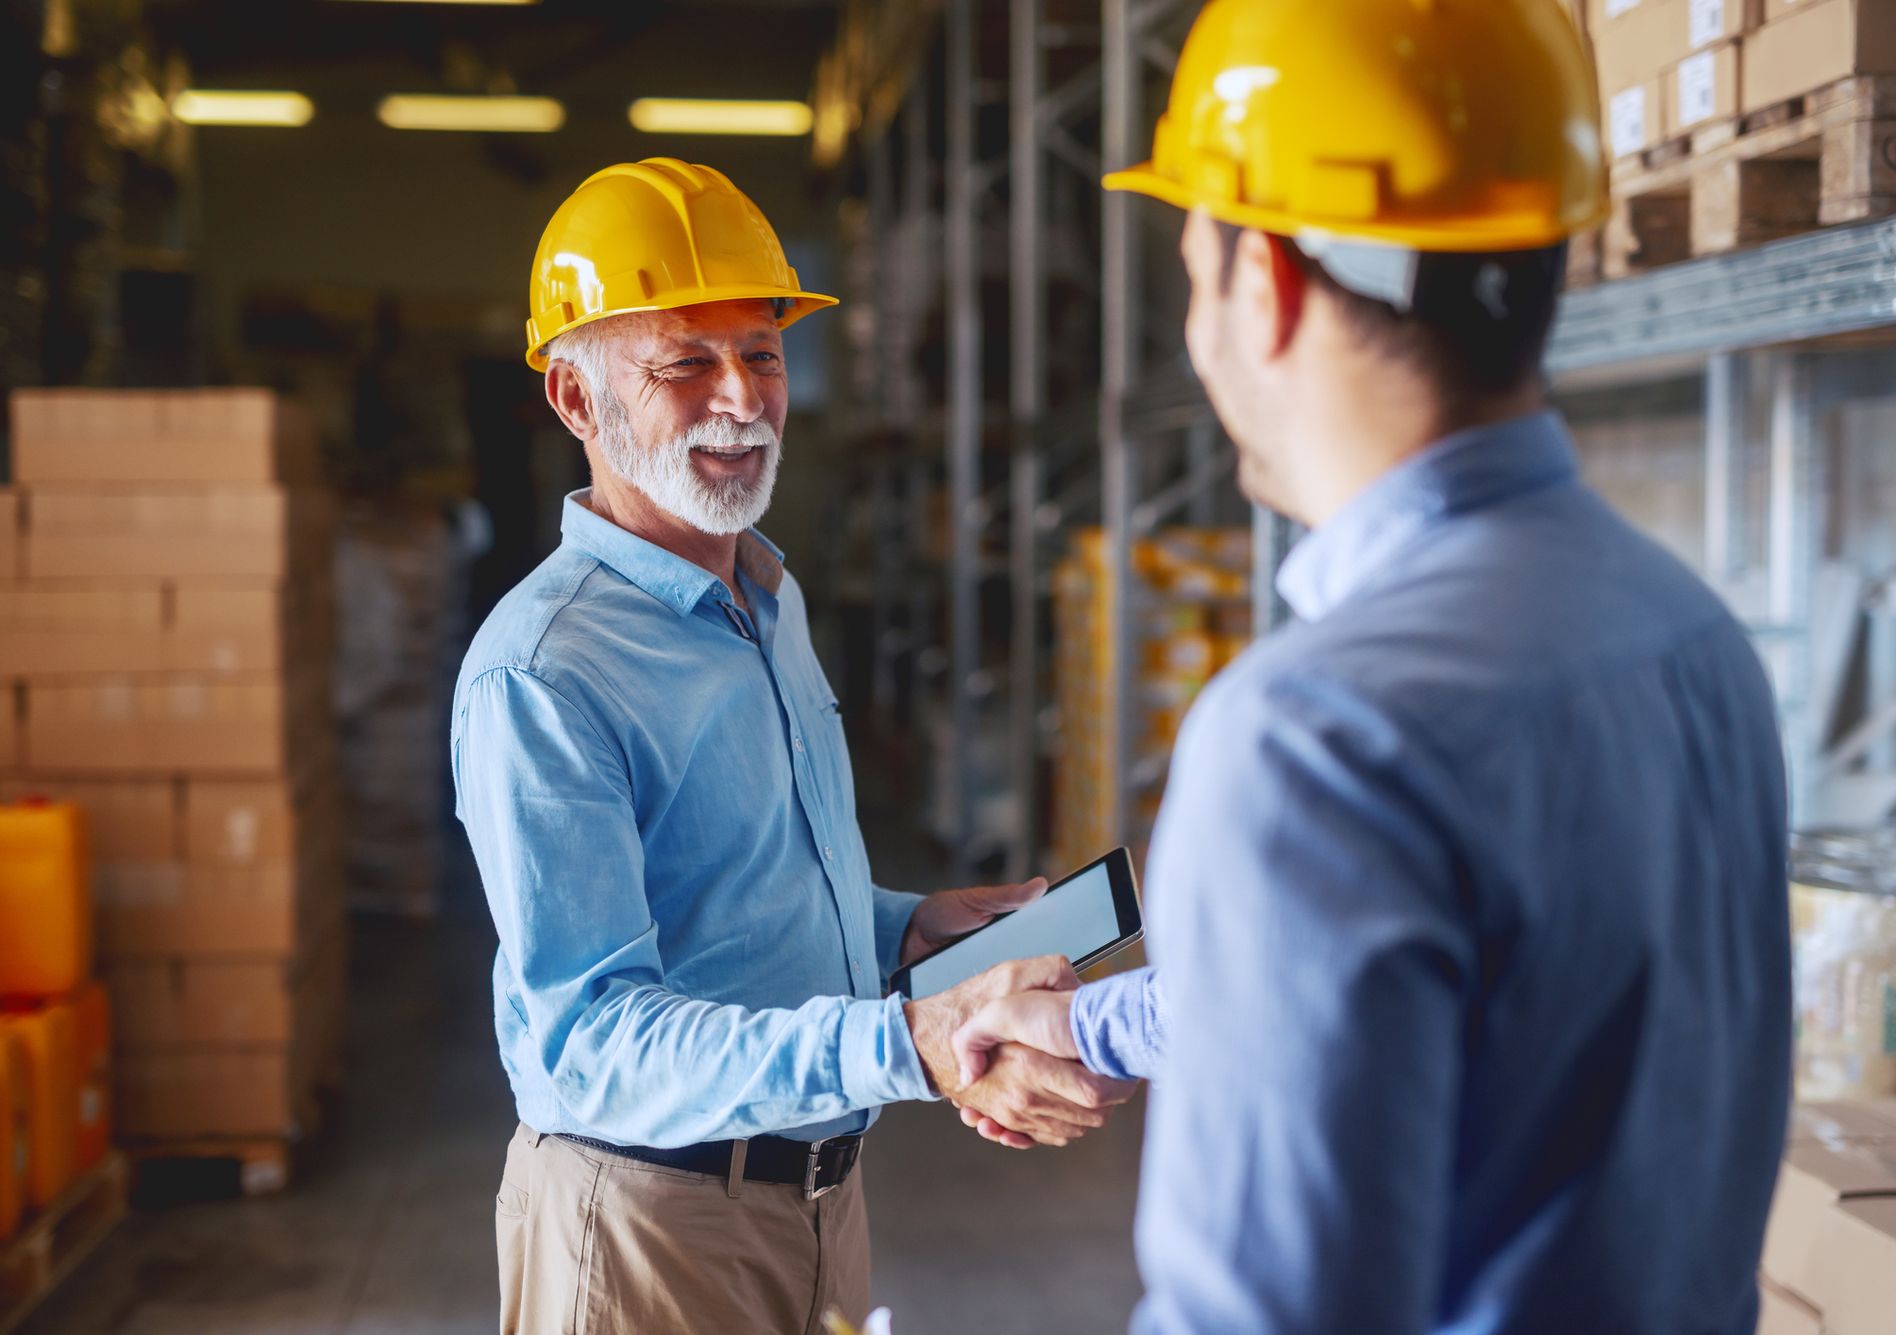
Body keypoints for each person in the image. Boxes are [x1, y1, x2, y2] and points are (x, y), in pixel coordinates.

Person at [954, 1, 1793, 1331]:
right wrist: (1094, 1027)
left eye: (1190, 268)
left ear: (1265, 286)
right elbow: (1439, 1002)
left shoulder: (1311, 738)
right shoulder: (1693, 641)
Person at [453, 157, 1132, 1335]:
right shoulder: (545, 675)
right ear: (573, 400)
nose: (741, 399)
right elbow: (593, 1042)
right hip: (648, 1229)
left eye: (760, 355)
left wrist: (901, 929)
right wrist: (910, 1040)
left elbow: (735, 892)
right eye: (685, 364)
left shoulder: (766, 597)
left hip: (819, 1201)